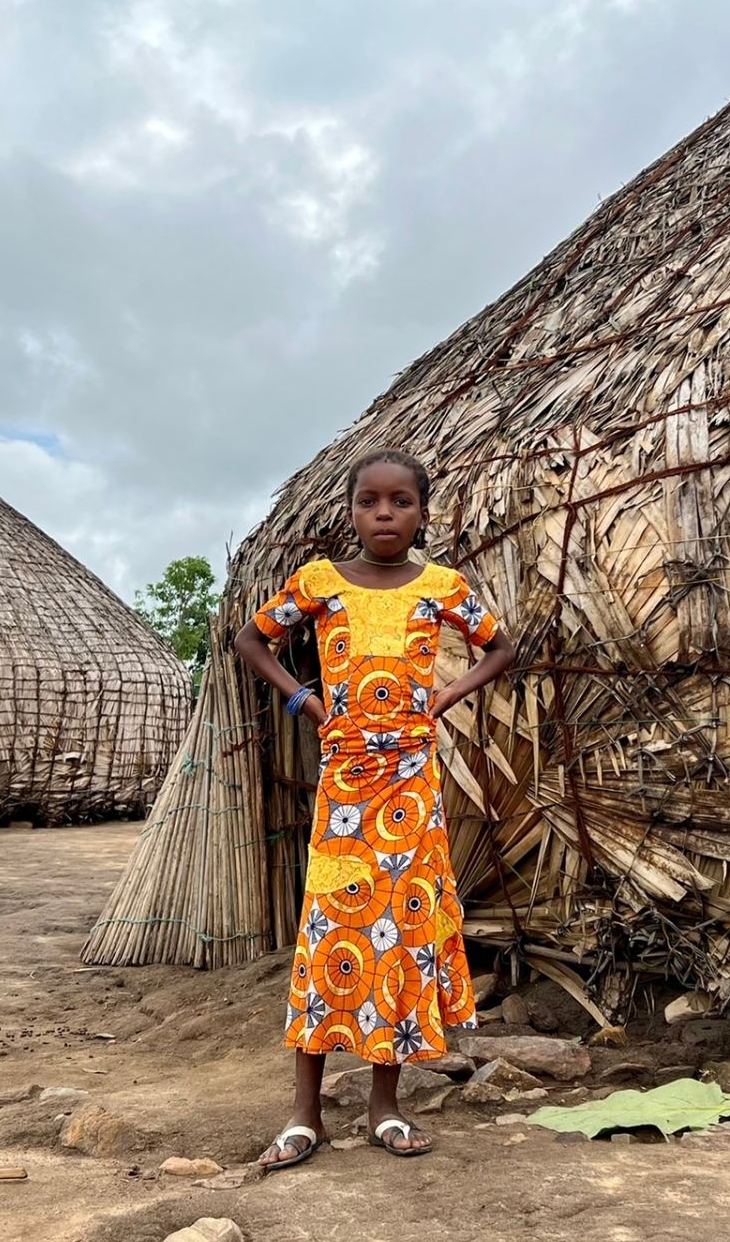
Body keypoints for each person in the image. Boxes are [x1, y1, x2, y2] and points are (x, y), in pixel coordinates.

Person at [233, 449, 516, 1168]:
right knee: (327, 930)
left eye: (399, 502)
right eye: (369, 501)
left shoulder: (445, 586)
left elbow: (498, 647)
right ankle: (304, 1115)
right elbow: (250, 638)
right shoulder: (320, 582)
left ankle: (384, 1108)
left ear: (423, 511)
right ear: (351, 509)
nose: (384, 514)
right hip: (345, 788)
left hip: (411, 790)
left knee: (399, 931)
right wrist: (305, 700)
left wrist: (446, 696)